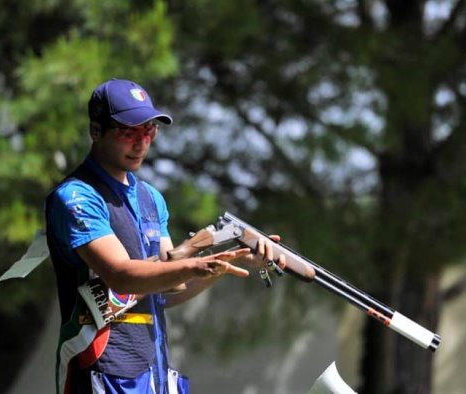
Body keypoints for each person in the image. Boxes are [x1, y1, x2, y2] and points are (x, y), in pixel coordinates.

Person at [44, 78, 285, 394]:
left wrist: (219, 267)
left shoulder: (150, 198)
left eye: (149, 131)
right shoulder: (76, 196)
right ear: (95, 131)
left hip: (154, 372)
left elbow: (168, 287)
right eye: (128, 131)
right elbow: (122, 275)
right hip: (103, 372)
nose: (141, 142)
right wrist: (197, 262)